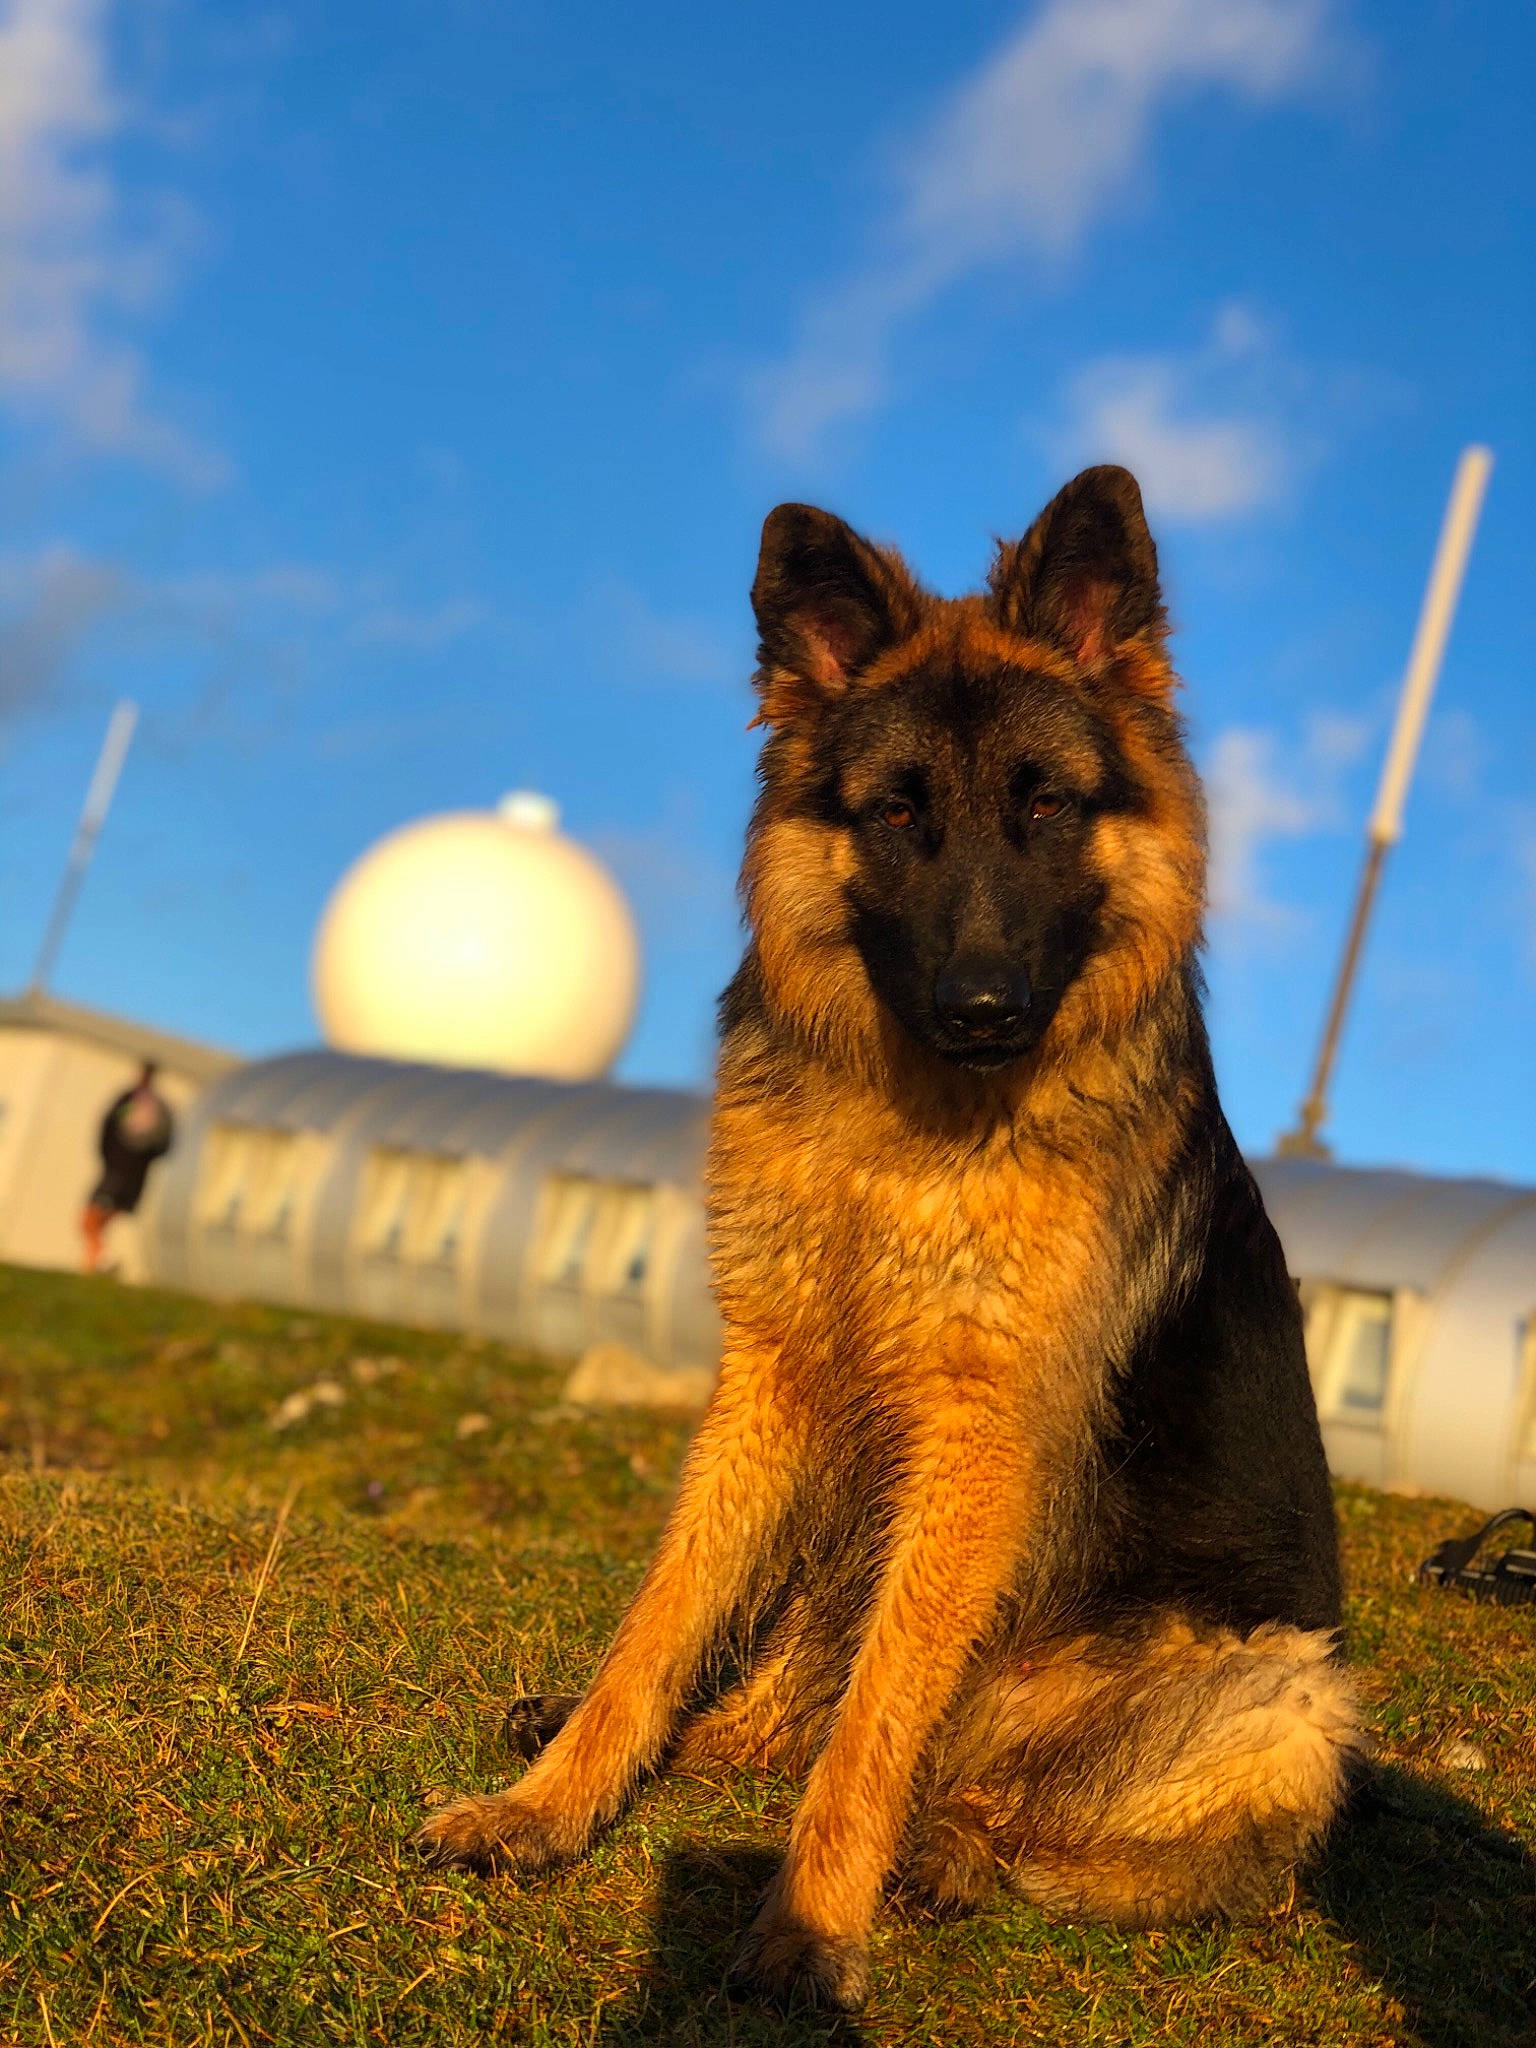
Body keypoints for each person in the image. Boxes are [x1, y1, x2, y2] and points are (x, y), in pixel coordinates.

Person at [81, 1062, 174, 1273]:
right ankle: (92, 1265)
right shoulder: (161, 1108)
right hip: (135, 1175)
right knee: (100, 1222)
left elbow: (110, 1126)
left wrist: (109, 1157)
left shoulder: (131, 1101)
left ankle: (105, 1259)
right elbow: (165, 1144)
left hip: (118, 1170)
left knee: (88, 1220)